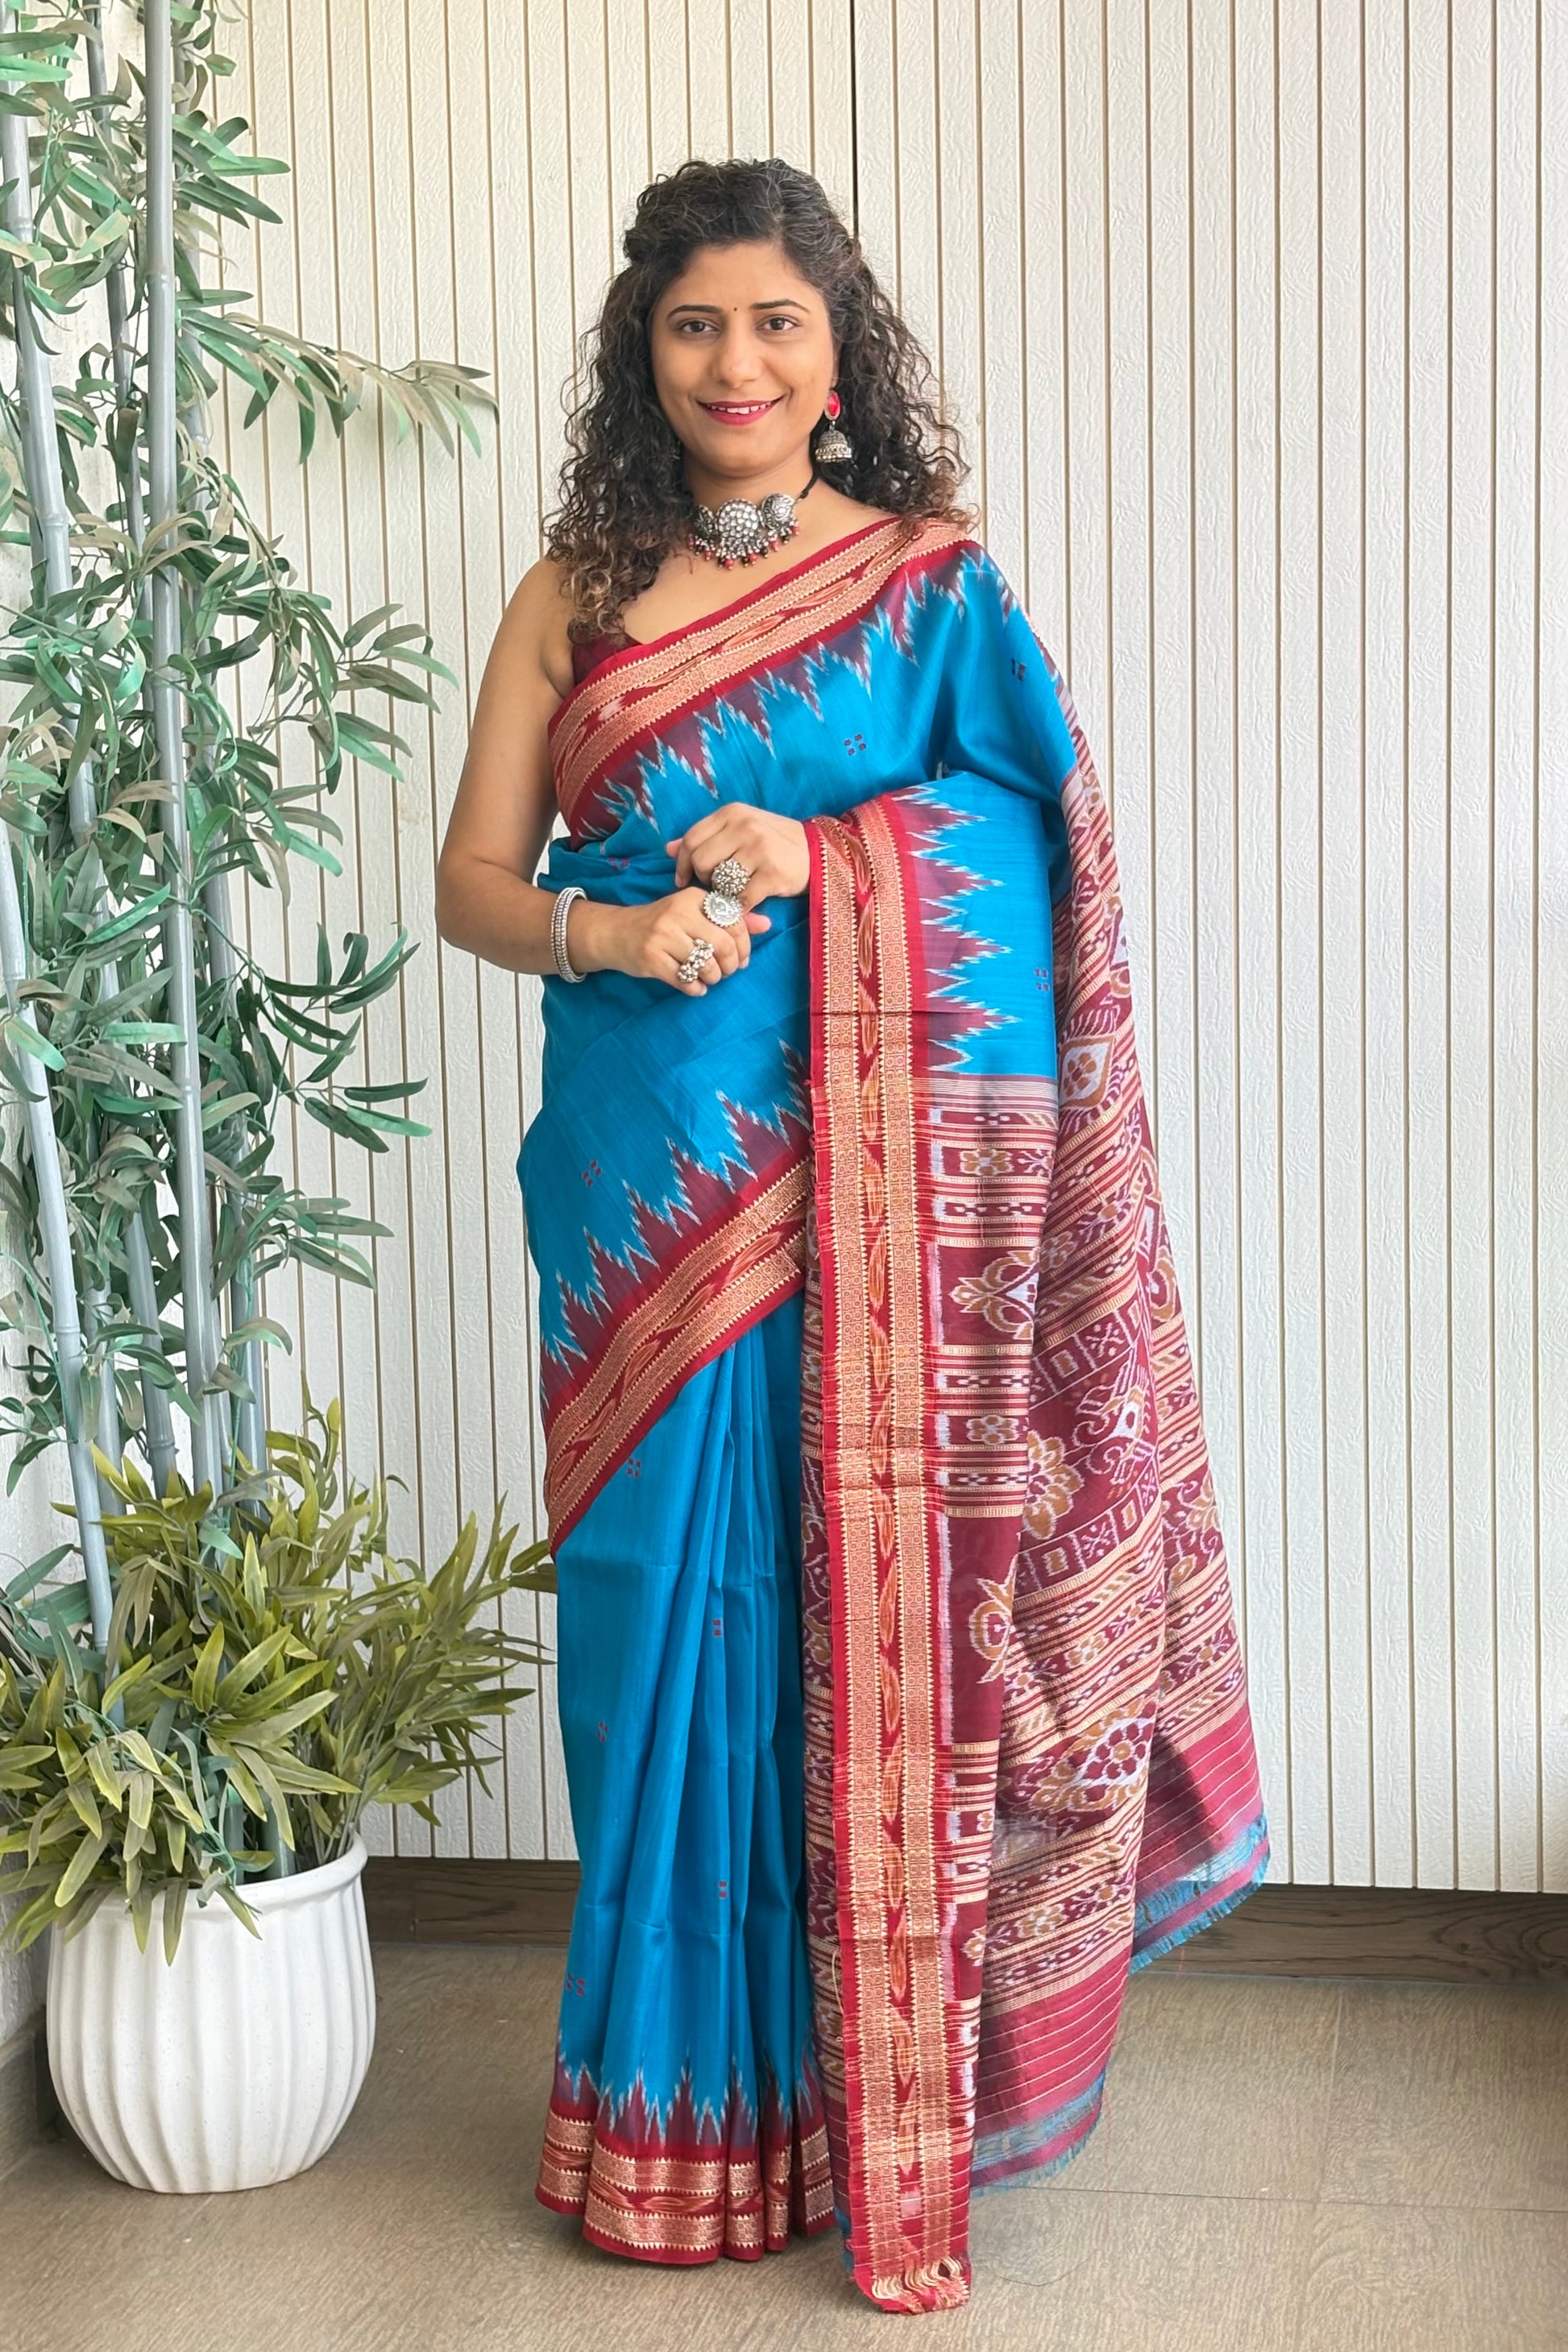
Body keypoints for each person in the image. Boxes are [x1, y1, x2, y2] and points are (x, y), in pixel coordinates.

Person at [436, 156, 1269, 2317]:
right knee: (655, 1626)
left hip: (872, 1190)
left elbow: (1038, 835)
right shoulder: (571, 591)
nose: (735, 360)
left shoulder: (923, 584)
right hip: (640, 1186)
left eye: (775, 323)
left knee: (865, 1620)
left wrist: (824, 858)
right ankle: (673, 2118)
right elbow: (472, 884)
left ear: (835, 358)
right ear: (644, 354)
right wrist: (613, 929)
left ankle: (866, 2102)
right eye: (694, 323)